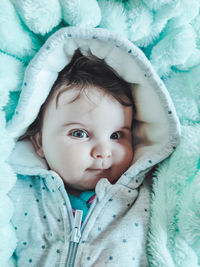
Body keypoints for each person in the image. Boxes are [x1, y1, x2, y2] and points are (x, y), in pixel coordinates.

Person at [7, 27, 180, 267]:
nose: (103, 152)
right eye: (79, 133)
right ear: (39, 143)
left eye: (117, 135)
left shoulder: (147, 199)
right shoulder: (15, 193)